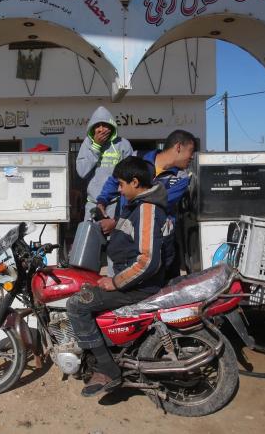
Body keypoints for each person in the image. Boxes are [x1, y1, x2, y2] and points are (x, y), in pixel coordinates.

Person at [66, 157, 168, 397]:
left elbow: (147, 260)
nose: (119, 190)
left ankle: (107, 368)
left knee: (77, 305)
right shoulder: (137, 205)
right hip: (131, 279)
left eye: (122, 184)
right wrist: (112, 225)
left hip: (139, 286)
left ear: (135, 182)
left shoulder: (147, 209)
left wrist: (115, 282)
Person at [96, 130, 196, 280]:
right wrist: (102, 201)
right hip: (128, 244)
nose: (192, 156)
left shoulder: (182, 178)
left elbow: (154, 203)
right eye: (191, 151)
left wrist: (116, 223)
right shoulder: (137, 157)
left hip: (160, 247)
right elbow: (115, 179)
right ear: (178, 147)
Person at [75, 107, 133, 221]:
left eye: (105, 125)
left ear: (111, 126)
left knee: (116, 238)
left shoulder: (123, 144)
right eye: (97, 126)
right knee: (91, 237)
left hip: (116, 204)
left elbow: (130, 174)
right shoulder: (87, 144)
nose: (101, 129)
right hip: (93, 205)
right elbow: (81, 172)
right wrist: (96, 146)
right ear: (92, 128)